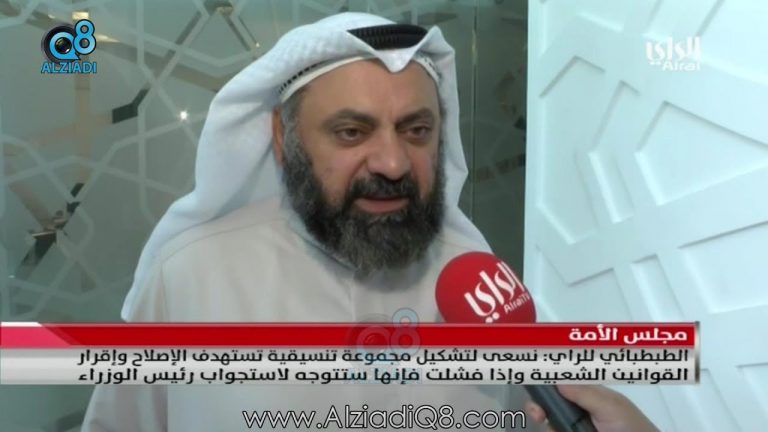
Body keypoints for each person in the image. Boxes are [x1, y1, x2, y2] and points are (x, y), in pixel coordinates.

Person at [82, 12, 658, 432]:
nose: (392, 163)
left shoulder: (475, 282)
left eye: (416, 130)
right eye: (352, 132)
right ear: (284, 138)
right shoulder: (189, 275)